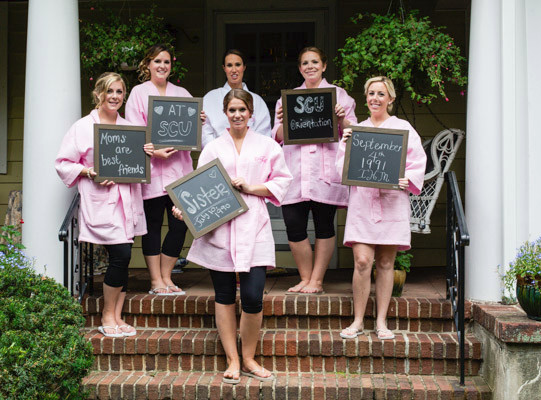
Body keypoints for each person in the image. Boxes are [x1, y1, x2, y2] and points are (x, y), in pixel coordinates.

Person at [173, 89, 292, 384]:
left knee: (252, 297)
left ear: (250, 112)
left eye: (242, 109)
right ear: (225, 113)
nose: (237, 114)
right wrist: (184, 210)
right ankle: (233, 359)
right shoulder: (213, 148)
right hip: (220, 229)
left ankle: (250, 357)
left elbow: (282, 181)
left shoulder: (267, 146)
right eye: (232, 110)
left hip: (255, 225)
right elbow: (198, 188)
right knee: (224, 296)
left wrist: (251, 187)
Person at [55, 72, 150, 337]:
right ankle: (107, 315)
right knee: (121, 256)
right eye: (110, 91)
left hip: (126, 201)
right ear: (99, 94)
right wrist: (88, 172)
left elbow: (134, 166)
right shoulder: (83, 127)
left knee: (124, 258)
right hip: (102, 200)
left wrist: (145, 153)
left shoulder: (130, 127)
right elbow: (63, 163)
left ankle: (117, 317)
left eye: (119, 92)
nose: (115, 97)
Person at [335, 76, 427, 340]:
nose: (375, 98)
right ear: (366, 97)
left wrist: (406, 179)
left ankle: (382, 322)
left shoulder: (403, 129)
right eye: (371, 93)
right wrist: (347, 143)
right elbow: (340, 167)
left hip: (392, 203)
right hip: (363, 203)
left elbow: (417, 161)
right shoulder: (358, 130)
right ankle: (358, 321)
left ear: (390, 98)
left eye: (380, 94)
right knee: (363, 261)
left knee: (386, 262)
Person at [272, 46, 357, 294]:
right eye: (305, 63)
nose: (310, 66)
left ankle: (317, 281)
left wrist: (341, 119)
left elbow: (352, 133)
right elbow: (276, 136)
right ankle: (305, 278)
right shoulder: (287, 99)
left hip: (324, 171)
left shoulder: (339, 96)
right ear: (300, 68)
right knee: (293, 225)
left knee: (324, 225)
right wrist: (285, 119)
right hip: (295, 171)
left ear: (324, 65)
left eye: (315, 62)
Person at [125, 44, 205, 296]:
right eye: (157, 61)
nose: (162, 66)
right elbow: (134, 134)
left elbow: (193, 138)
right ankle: (155, 280)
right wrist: (153, 151)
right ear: (147, 64)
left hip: (178, 171)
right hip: (151, 172)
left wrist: (198, 122)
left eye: (167, 62)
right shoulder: (139, 93)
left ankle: (167, 276)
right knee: (152, 225)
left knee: (180, 224)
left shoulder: (181, 93)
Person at [201, 49, 272, 147]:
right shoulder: (210, 99)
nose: (234, 70)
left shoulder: (257, 101)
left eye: (238, 65)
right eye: (229, 65)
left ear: (244, 67)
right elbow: (205, 134)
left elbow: (264, 135)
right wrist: (218, 154)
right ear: (224, 68)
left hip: (251, 157)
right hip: (218, 157)